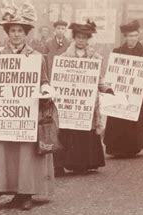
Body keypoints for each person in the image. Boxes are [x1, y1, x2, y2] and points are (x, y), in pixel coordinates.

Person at [0, 1, 54, 210]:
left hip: (28, 112)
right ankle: (14, 192)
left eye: (19, 31)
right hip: (8, 113)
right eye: (12, 30)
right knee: (10, 152)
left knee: (26, 154)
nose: (16, 34)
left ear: (26, 33)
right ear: (7, 33)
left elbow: (44, 80)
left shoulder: (36, 58)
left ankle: (26, 193)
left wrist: (45, 90)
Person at [53, 20, 105, 176]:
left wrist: (105, 87)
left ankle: (84, 163)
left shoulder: (95, 58)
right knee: (67, 130)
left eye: (84, 37)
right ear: (74, 38)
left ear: (88, 39)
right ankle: (63, 163)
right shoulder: (64, 57)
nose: (81, 40)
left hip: (86, 101)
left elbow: (99, 79)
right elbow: (58, 77)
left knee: (85, 131)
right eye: (78, 37)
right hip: (70, 101)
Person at [103, 20, 143, 158]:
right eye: (129, 36)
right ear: (125, 37)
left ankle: (133, 147)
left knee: (134, 120)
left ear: (138, 36)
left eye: (134, 36)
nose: (132, 39)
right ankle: (117, 148)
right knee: (119, 118)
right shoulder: (117, 52)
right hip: (121, 91)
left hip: (137, 93)